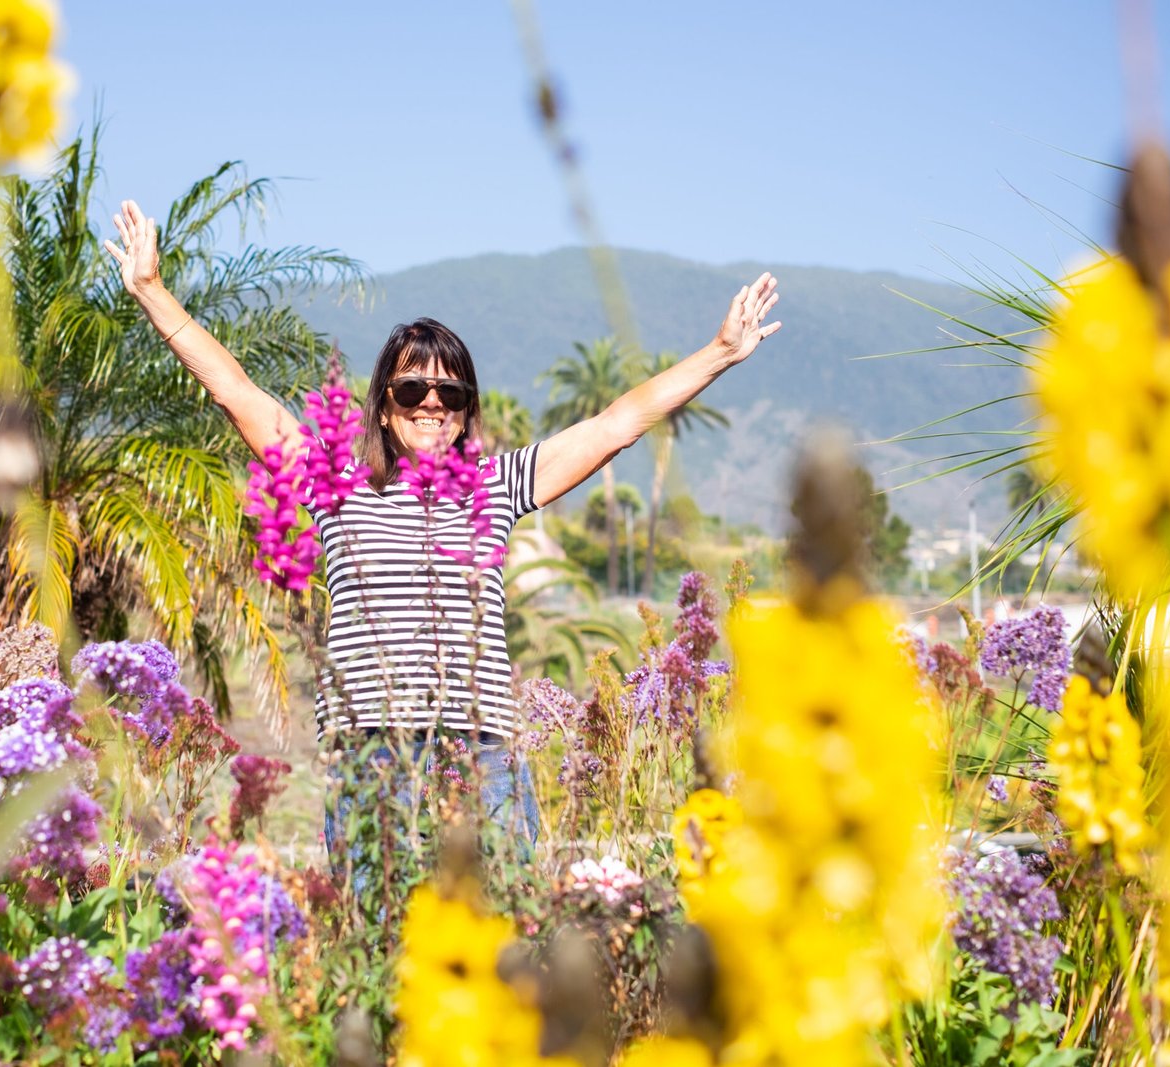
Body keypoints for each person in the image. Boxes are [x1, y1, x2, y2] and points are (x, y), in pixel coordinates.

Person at [103, 198, 780, 869]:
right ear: (384, 406)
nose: (432, 403)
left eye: (450, 394)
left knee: (501, 949)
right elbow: (237, 391)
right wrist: (152, 291)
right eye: (411, 390)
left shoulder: (496, 482)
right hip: (369, 754)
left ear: (465, 412)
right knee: (375, 944)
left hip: (481, 756)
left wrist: (720, 352)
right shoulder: (331, 481)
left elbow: (614, 425)